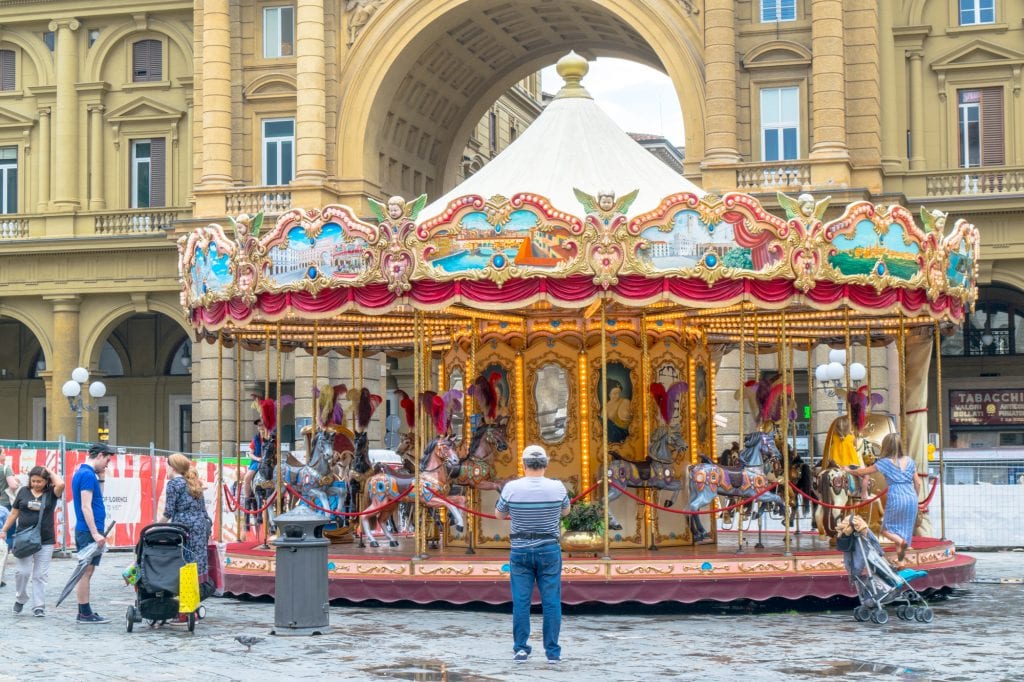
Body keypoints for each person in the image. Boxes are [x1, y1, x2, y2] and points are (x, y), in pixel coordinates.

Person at [494, 445, 570, 664]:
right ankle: (553, 651)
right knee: (551, 602)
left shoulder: (511, 488)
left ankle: (520, 648)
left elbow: (499, 514)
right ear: (545, 464)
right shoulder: (557, 487)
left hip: (520, 550)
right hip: (549, 549)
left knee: (521, 601)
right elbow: (566, 511)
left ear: (524, 464)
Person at [851, 433, 922, 569]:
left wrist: (848, 469)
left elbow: (863, 472)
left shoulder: (884, 463)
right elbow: (917, 483)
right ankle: (901, 562)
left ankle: (901, 542)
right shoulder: (910, 461)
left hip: (896, 495)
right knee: (904, 530)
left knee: (886, 530)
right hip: (911, 496)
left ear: (886, 446)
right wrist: (914, 499)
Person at [1, 465, 64, 616]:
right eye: (33, 481)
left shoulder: (51, 493)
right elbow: (14, 513)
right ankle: (21, 598)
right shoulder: (23, 491)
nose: (36, 484)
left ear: (46, 481)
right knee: (22, 572)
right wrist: (3, 530)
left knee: (40, 575)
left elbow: (61, 484)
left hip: (45, 540)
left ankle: (38, 606)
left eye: (40, 481)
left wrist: (48, 471)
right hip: (24, 538)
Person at [72, 443, 113, 624]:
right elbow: (86, 506)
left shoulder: (85, 473)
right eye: (107, 460)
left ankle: (85, 611)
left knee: (87, 571)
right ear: (100, 455)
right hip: (88, 531)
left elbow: (97, 499)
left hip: (88, 530)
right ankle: (84, 613)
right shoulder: (87, 475)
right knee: (85, 572)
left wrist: (102, 478)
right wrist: (95, 533)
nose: (107, 464)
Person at [160, 454, 212, 591]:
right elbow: (203, 509)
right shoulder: (192, 481)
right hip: (199, 525)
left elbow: (168, 512)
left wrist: (157, 526)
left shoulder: (173, 484)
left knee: (185, 559)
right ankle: (194, 594)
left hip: (184, 527)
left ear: (172, 467)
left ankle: (185, 593)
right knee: (197, 561)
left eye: (166, 465)